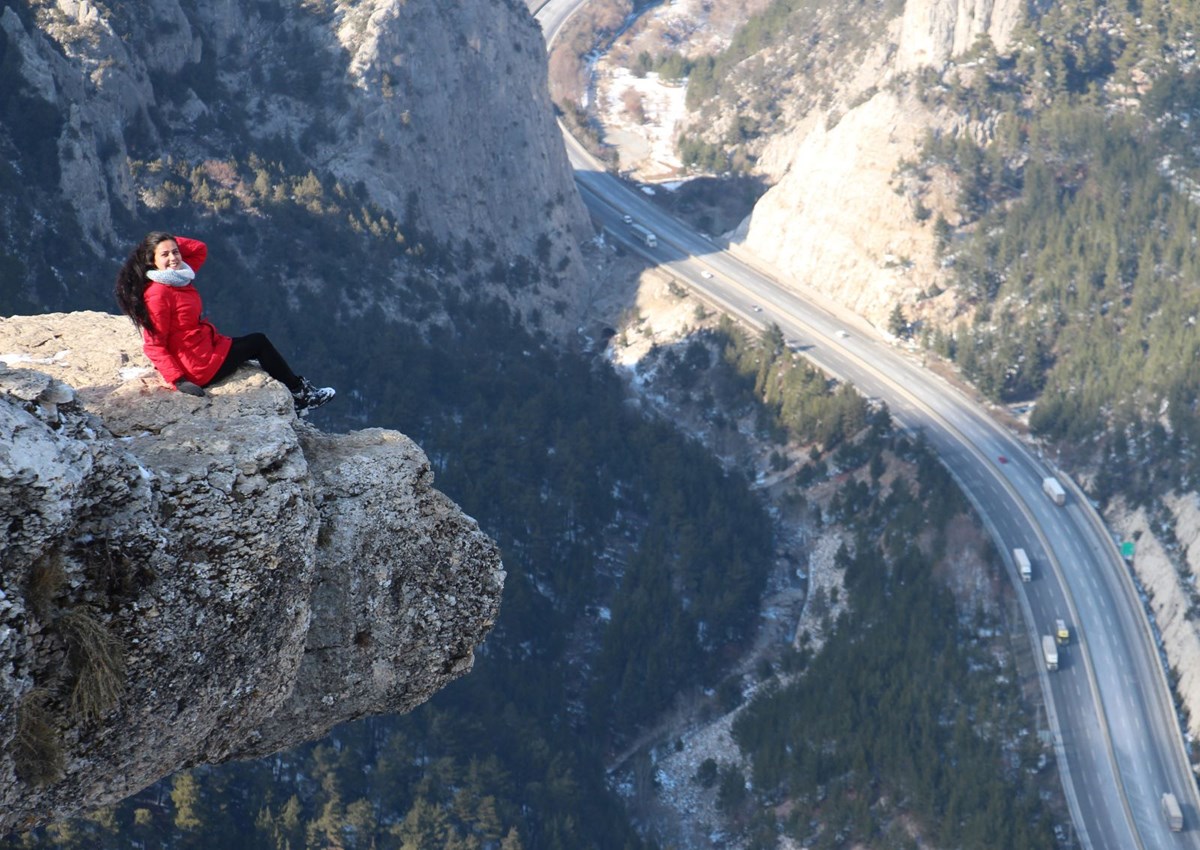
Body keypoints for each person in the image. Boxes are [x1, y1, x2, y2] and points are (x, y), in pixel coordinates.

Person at [114, 231, 335, 413]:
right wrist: (179, 381)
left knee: (255, 344)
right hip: (196, 366)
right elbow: (153, 345)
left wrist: (166, 241)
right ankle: (300, 394)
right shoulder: (159, 293)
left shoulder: (179, 277)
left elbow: (199, 249)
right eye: (164, 255)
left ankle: (299, 393)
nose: (173, 258)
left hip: (203, 349)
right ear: (152, 261)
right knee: (258, 343)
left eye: (175, 252)